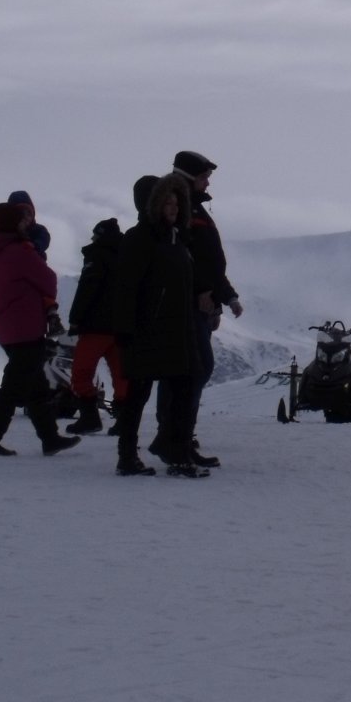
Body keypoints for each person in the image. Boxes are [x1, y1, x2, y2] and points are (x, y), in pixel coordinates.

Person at [151, 150, 241, 469]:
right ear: (189, 178)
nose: (208, 183)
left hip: (200, 302)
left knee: (191, 370)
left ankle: (177, 437)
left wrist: (224, 297)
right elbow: (187, 258)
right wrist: (204, 291)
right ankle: (172, 437)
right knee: (190, 370)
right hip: (185, 303)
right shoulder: (181, 209)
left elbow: (209, 262)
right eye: (204, 177)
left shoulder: (195, 208)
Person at [113, 174, 202, 477]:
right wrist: (125, 329)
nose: (174, 207)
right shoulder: (140, 238)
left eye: (177, 202)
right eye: (167, 202)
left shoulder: (178, 238)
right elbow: (125, 287)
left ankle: (176, 452)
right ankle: (127, 456)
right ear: (152, 205)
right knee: (138, 395)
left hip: (176, 329)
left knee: (183, 389)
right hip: (147, 328)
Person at [0, 201, 80, 457]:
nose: (26, 223)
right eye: (21, 220)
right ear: (14, 224)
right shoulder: (19, 251)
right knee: (13, 387)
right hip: (27, 326)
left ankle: (50, 438)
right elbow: (48, 278)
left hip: (6, 327)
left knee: (36, 386)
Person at [64, 217, 129, 434]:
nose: (92, 239)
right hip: (120, 326)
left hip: (96, 326)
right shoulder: (127, 256)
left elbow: (87, 287)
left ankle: (89, 418)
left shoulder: (96, 255)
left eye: (95, 235)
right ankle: (125, 421)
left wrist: (75, 319)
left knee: (81, 372)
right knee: (121, 374)